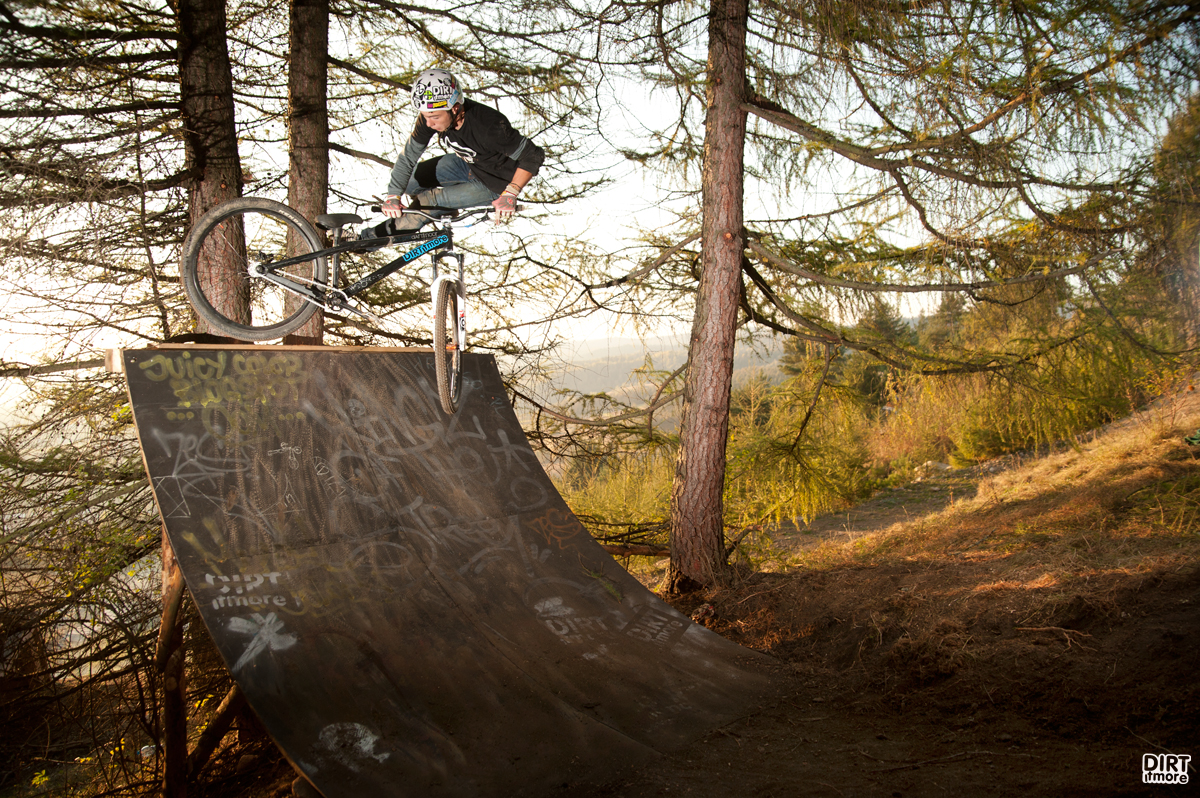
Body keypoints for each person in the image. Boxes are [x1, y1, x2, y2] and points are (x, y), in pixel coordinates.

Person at [362, 68, 544, 239]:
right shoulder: (432, 113)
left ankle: (367, 239)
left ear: (455, 108)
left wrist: (511, 192)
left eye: (435, 118)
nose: (429, 124)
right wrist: (393, 196)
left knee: (427, 203)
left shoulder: (489, 126)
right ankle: (444, 208)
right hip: (467, 164)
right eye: (425, 117)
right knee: (408, 182)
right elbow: (408, 156)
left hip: (493, 182)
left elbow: (533, 155)